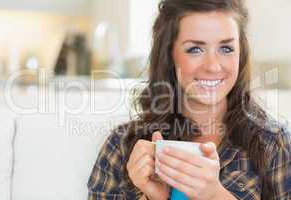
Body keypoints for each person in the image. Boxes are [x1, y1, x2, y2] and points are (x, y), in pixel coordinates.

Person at [87, 0, 291, 199]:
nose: (212, 66)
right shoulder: (121, 147)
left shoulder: (274, 144)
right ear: (169, 54)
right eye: (195, 49)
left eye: (226, 48)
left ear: (241, 54)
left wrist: (215, 196)